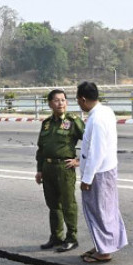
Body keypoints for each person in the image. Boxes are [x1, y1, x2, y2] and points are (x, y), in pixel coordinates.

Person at [74, 81, 127, 263]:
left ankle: (104, 251)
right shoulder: (106, 111)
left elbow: (97, 152)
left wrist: (87, 179)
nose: (78, 104)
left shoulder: (96, 119)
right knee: (108, 209)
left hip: (99, 173)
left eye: (78, 100)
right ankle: (102, 245)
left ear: (83, 99)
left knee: (99, 212)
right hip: (107, 169)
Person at [35, 89, 86, 253]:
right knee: (53, 205)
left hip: (64, 168)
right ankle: (56, 237)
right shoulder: (46, 123)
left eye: (63, 100)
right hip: (48, 168)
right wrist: (39, 170)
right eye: (57, 100)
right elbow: (41, 149)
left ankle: (72, 238)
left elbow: (90, 141)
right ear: (50, 103)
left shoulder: (73, 121)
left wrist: (79, 161)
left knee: (68, 204)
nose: (60, 103)